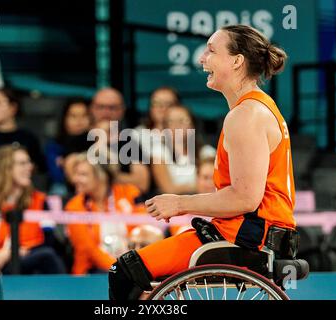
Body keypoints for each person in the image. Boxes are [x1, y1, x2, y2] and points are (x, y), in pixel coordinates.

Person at [108, 24, 297, 300]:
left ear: (236, 61)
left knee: (123, 271)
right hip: (258, 233)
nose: (201, 59)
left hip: (249, 237)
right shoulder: (257, 108)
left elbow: (245, 198)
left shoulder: (246, 114)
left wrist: (179, 203)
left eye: (211, 50)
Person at [0, 144, 64, 274]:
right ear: (5, 169)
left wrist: (11, 253)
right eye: (22, 163)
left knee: (47, 256)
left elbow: (49, 245)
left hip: (31, 271)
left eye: (29, 162)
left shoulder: (40, 201)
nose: (30, 167)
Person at [65, 153, 145, 275]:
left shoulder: (129, 193)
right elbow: (89, 250)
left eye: (83, 174)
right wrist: (118, 268)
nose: (75, 179)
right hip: (94, 271)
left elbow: (144, 229)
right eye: (76, 174)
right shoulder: (74, 207)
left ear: (101, 177)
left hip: (132, 263)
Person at [150, 104, 215, 194]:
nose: (176, 126)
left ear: (193, 125)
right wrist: (201, 186)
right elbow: (169, 190)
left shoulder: (207, 152)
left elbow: (216, 184)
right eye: (171, 121)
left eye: (182, 121)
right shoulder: (159, 152)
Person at [45, 97, 93, 196]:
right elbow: (56, 175)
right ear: (64, 119)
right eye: (73, 116)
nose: (79, 121)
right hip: (65, 188)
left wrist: (67, 163)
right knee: (58, 188)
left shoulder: (96, 143)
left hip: (92, 186)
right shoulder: (54, 146)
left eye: (84, 115)